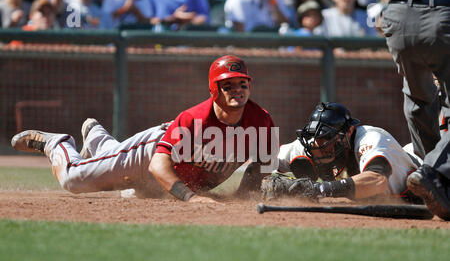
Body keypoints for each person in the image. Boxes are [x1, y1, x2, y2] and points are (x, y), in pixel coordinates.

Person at [11, 55, 279, 203]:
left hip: (165, 184)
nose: (237, 90)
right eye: (228, 85)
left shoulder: (262, 120)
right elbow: (158, 166)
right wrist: (191, 199)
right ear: (213, 90)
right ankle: (57, 144)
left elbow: (265, 162)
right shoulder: (194, 118)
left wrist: (244, 195)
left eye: (242, 84)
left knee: (133, 192)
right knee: (74, 181)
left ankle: (96, 136)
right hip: (150, 155)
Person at [261, 102, 423, 204]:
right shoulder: (307, 146)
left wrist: (319, 189)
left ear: (349, 131)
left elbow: (377, 180)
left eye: (327, 137)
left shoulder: (370, 137)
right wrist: (260, 183)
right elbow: (264, 163)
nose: (319, 144)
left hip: (422, 172)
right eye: (315, 137)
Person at [381, 0, 450, 220]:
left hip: (398, 18)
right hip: (442, 16)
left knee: (417, 99)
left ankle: (433, 181)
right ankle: (433, 173)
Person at [224, 0, 288, 32]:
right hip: (247, 44)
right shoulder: (237, 0)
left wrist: (273, 2)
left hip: (269, 41)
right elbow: (240, 32)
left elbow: (284, 23)